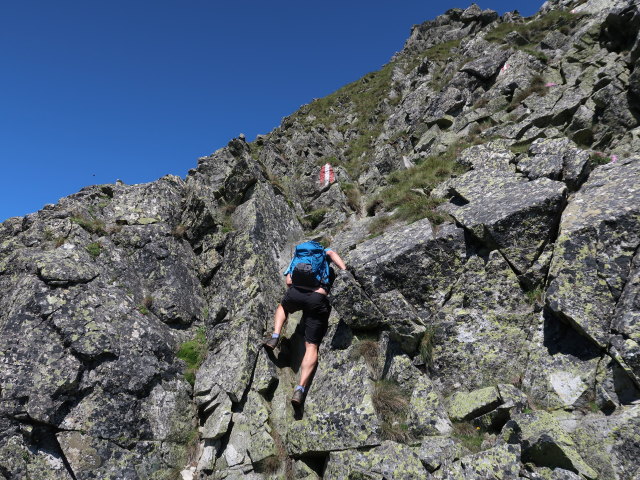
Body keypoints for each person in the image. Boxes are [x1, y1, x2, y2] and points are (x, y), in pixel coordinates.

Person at [263, 242, 347, 406]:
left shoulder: (299, 256)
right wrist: (344, 270)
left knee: (282, 307)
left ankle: (275, 336)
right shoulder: (324, 252)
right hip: (317, 298)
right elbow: (333, 255)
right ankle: (300, 389)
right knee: (311, 346)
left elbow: (288, 281)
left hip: (295, 294)